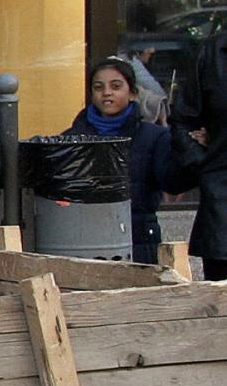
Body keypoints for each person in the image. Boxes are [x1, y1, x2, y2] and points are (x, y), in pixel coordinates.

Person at [68, 57, 173, 267]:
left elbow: (173, 182)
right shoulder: (71, 139)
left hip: (139, 240)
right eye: (99, 87)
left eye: (116, 86)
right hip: (84, 241)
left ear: (133, 93)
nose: (107, 93)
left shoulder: (155, 137)